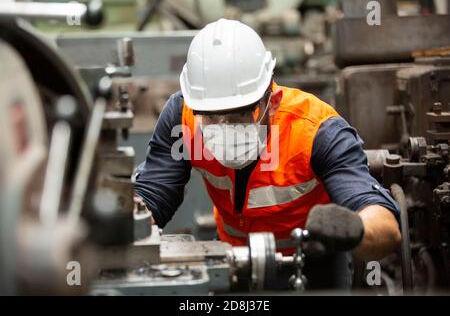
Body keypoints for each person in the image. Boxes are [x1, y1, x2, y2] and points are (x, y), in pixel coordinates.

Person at [134, 19, 401, 290]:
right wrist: (122, 222)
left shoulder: (317, 132)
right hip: (231, 262)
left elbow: (385, 227)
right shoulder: (184, 118)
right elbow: (154, 195)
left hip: (311, 268)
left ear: (270, 102)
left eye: (240, 114)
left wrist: (354, 229)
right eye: (211, 117)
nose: (224, 128)